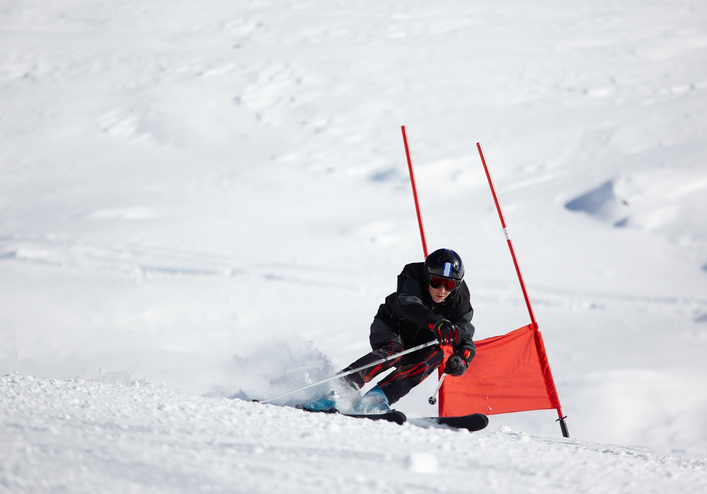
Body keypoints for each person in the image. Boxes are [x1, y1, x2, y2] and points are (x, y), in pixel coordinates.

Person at [303, 248, 476, 413]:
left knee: (436, 355)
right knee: (394, 351)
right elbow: (409, 304)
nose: (442, 290)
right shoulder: (413, 274)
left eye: (450, 285)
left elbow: (465, 338)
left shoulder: (461, 301)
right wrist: (437, 322)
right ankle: (337, 390)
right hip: (391, 326)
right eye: (436, 282)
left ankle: (375, 400)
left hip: (421, 342)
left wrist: (462, 359)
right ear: (427, 276)